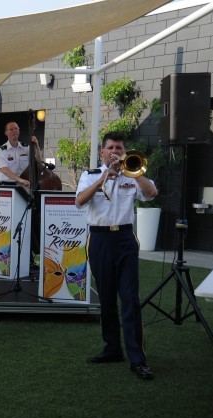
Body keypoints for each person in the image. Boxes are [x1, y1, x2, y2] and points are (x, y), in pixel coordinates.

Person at [76, 131, 158, 380]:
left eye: (120, 148)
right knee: (107, 300)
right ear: (102, 152)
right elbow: (79, 201)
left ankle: (137, 358)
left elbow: (151, 193)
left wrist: (136, 173)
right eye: (110, 147)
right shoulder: (90, 175)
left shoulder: (132, 173)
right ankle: (112, 349)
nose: (115, 151)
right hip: (99, 239)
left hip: (124, 238)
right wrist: (103, 178)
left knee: (130, 299)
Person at [0, 121, 42, 187]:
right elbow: (4, 170)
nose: (14, 131)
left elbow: (39, 161)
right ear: (6, 133)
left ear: (19, 131)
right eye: (11, 129)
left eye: (16, 129)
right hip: (8, 186)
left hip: (25, 185)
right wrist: (20, 180)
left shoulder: (26, 148)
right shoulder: (1, 150)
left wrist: (37, 146)